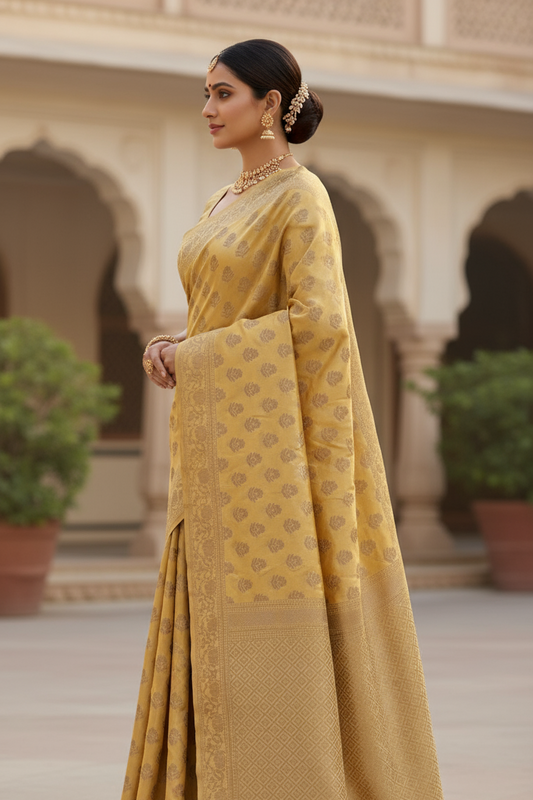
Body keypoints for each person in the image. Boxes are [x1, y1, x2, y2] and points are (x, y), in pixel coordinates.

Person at [122, 39, 444, 800]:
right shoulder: (222, 201)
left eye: (223, 94)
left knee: (274, 629)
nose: (207, 109)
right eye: (205, 93)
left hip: (270, 458)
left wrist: (197, 358)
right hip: (212, 450)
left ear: (270, 104)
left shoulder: (302, 197)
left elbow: (320, 324)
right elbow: (220, 315)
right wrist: (173, 345)